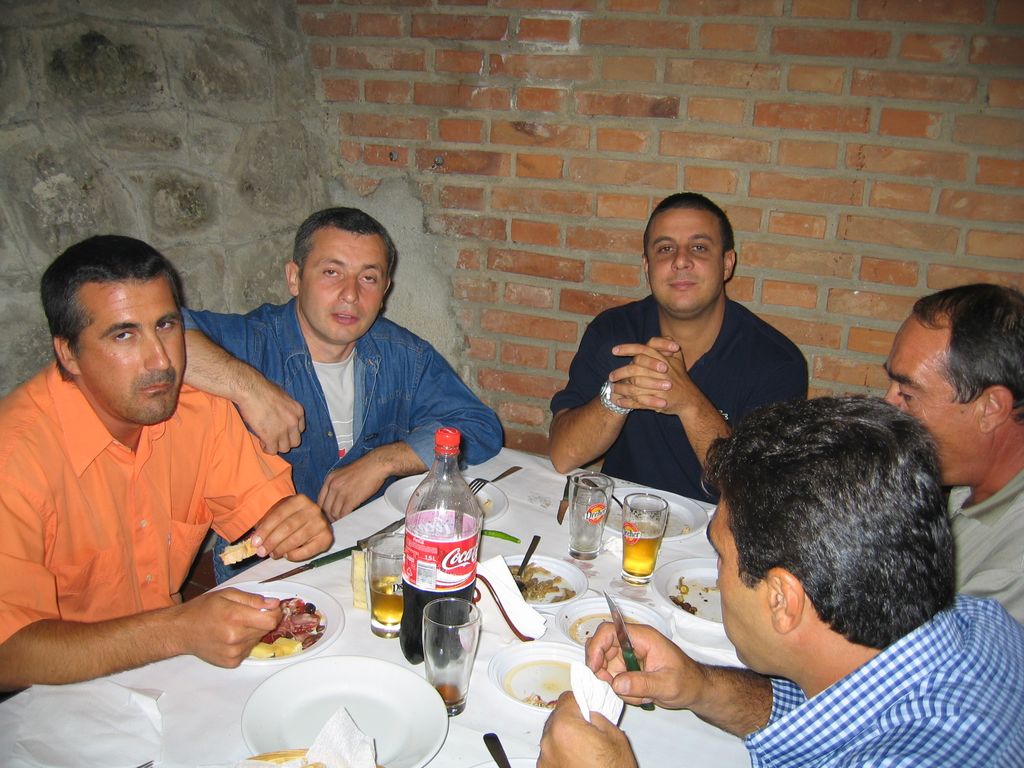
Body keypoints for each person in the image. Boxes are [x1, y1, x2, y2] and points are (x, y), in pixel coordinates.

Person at [538, 397, 1024, 767]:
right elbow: (833, 710)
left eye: (720, 557)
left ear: (782, 601)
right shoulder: (979, 623)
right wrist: (702, 685)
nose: (718, 577)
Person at [0, 236, 333, 690]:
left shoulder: (197, 408)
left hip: (171, 667)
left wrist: (295, 525)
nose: (160, 360)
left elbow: (267, 512)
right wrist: (177, 630)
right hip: (57, 693)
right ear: (69, 354)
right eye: (124, 335)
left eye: (166, 325)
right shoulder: (15, 459)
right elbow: (8, 653)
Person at [182, 207, 503, 580]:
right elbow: (157, 334)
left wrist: (384, 461)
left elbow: (480, 427)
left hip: (373, 557)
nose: (351, 295)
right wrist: (247, 387)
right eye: (331, 272)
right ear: (294, 277)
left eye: (368, 278)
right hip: (267, 569)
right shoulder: (252, 343)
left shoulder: (403, 355)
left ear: (384, 291)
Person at [548, 192, 806, 501]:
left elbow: (760, 496)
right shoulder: (614, 330)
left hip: (718, 526)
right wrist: (617, 397)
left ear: (727, 264)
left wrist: (689, 402)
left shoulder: (776, 362)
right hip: (622, 518)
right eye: (665, 249)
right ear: (647, 266)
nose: (681, 260)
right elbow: (563, 455)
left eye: (699, 247)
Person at [883, 283, 1024, 622]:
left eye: (908, 394)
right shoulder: (966, 485)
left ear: (990, 408)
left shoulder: (1013, 568)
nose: (889, 405)